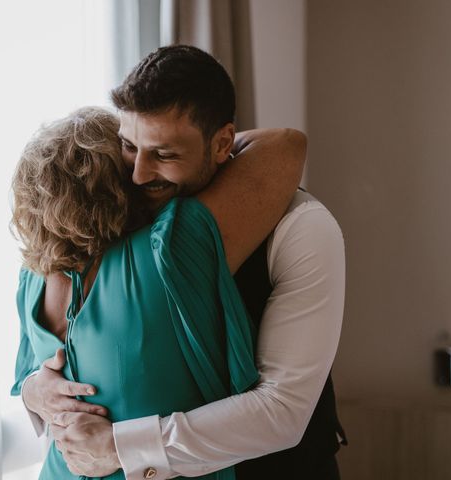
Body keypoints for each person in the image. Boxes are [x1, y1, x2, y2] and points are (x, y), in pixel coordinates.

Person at [20, 45, 346, 480]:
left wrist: (122, 447)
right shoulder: (122, 218)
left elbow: (282, 409)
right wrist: (34, 390)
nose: (137, 174)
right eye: (130, 146)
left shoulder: (303, 228)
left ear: (224, 143)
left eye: (165, 154)